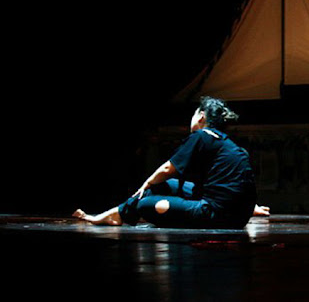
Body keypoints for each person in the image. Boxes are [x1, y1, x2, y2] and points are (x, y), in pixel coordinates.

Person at [74, 96, 260, 229]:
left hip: (217, 215)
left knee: (144, 204)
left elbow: (168, 168)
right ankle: (118, 213)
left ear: (201, 116)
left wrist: (146, 182)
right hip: (238, 216)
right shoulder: (227, 143)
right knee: (166, 185)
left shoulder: (202, 136)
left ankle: (117, 214)